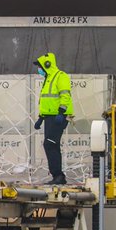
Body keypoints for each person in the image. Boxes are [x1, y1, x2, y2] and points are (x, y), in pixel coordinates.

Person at [33, 52, 74, 186]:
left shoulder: (60, 76)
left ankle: (59, 176)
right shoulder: (48, 79)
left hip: (59, 116)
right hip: (50, 117)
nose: (38, 69)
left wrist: (61, 112)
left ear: (47, 65)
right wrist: (41, 118)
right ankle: (57, 176)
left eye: (39, 66)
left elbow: (65, 95)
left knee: (50, 143)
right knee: (51, 144)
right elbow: (47, 102)